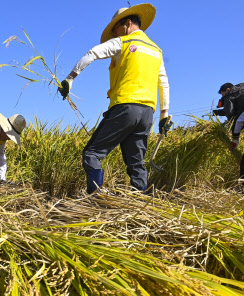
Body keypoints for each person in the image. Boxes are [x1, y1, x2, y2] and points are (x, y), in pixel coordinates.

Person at [58, 3, 171, 194]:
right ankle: (141, 206)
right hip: (147, 114)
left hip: (126, 107)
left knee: (92, 154)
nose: (115, 34)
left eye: (116, 29)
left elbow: (92, 53)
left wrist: (70, 78)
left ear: (127, 23)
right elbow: (164, 83)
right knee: (136, 163)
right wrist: (164, 115)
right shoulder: (156, 50)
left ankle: (95, 199)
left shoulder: (123, 42)